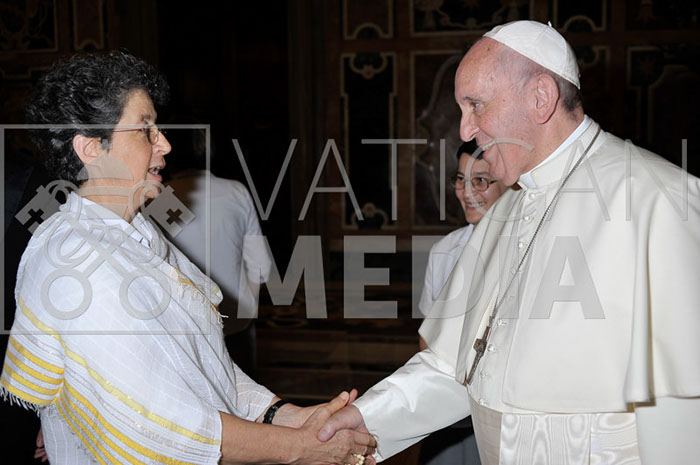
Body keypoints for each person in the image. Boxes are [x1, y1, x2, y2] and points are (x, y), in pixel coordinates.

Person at [318, 20, 700, 464]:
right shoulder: (507, 208)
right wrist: (366, 419)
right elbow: (459, 366)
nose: (465, 130)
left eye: (476, 105)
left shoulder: (660, 200)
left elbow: (682, 407)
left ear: (541, 97)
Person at [0, 51, 375, 465]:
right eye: (145, 130)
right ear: (92, 148)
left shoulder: (138, 231)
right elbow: (160, 428)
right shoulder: (78, 263)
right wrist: (301, 448)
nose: (165, 143)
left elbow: (204, 365)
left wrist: (284, 415)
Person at [418, 142, 507, 465]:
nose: (467, 192)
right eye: (461, 179)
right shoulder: (444, 252)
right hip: (451, 412)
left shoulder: (530, 250)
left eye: (480, 181)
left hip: (505, 411)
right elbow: (428, 340)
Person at [164, 123, 272, 375]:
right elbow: (261, 268)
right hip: (236, 326)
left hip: (184, 330)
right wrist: (244, 311)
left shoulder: (158, 197)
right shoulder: (237, 192)